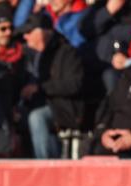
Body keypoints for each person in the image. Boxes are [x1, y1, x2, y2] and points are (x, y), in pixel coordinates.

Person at [17, 12, 84, 159]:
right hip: (43, 105)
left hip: (67, 109)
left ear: (44, 31)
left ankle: (44, 165)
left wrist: (41, 88)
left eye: (29, 32)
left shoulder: (67, 52)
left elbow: (74, 84)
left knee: (37, 117)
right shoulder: (34, 56)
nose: (26, 37)